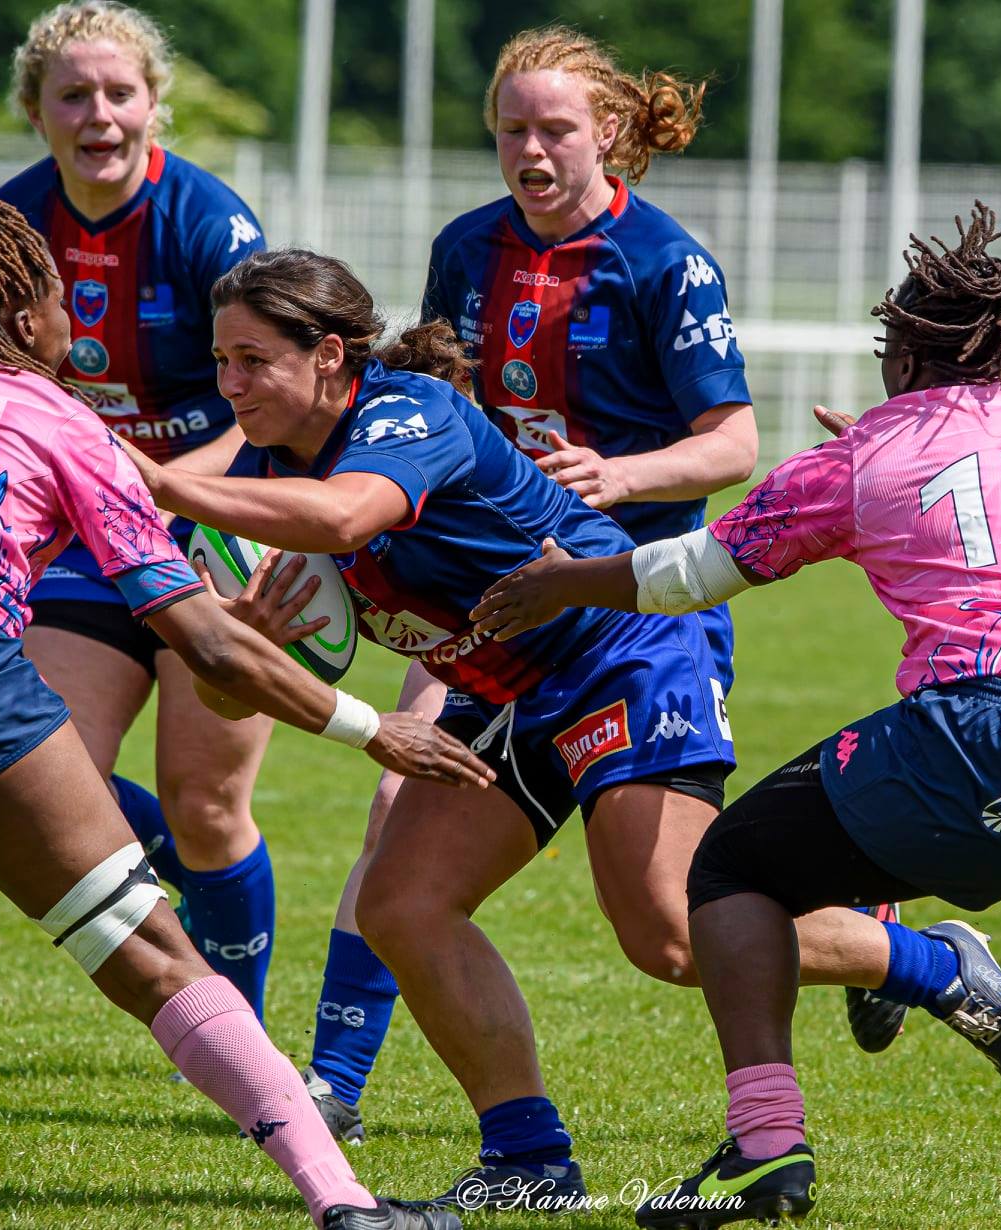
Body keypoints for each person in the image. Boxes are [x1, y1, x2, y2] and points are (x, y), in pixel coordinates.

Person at [474, 203, 1001, 1230]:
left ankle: (764, 1152)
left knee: (733, 868)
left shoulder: (863, 453)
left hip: (991, 728)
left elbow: (688, 573)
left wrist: (563, 582)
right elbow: (978, 492)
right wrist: (881, 455)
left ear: (898, 354)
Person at [0, 180, 492, 1230]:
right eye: (59, 300)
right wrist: (365, 727)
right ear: (27, 315)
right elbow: (204, 635)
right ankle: (343, 1206)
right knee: (154, 958)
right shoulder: (64, 418)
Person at [128, 247, 886, 1212]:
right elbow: (232, 693)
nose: (228, 385)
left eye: (251, 361)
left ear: (328, 355)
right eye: (220, 360)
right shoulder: (261, 468)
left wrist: (165, 484)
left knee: (668, 934)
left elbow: (349, 514)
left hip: (621, 648)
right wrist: (256, 641)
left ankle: (924, 959)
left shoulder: (405, 412)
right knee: (402, 904)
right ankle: (529, 1162)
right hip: (497, 694)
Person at [301, 24, 898, 1146]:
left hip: (629, 610)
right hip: (489, 599)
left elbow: (730, 445)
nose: (529, 149)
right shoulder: (466, 249)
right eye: (510, 129)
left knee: (667, 931)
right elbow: (436, 400)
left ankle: (905, 950)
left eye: (554, 128)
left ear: (608, 133)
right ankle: (337, 1083)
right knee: (399, 829)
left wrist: (616, 474)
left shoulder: (662, 262)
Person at [0, 0, 281, 1018]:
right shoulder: (12, 225)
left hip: (221, 517)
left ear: (154, 105)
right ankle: (188, 918)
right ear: (38, 111)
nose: (99, 115)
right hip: (86, 526)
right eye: (74, 94)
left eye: (120, 93)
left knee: (208, 809)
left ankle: (236, 1028)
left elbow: (276, 403)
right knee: (38, 771)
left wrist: (168, 490)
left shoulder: (210, 223)